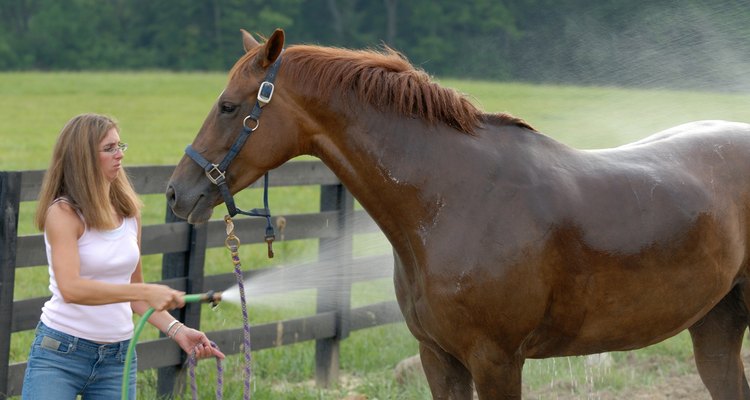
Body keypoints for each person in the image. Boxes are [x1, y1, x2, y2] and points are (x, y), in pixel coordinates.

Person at [22, 113, 225, 399]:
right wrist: (142, 290)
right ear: (83, 157)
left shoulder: (129, 213)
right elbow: (71, 288)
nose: (119, 155)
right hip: (60, 353)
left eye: (120, 146)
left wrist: (178, 330)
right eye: (109, 148)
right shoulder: (64, 213)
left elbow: (137, 297)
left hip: (117, 359)